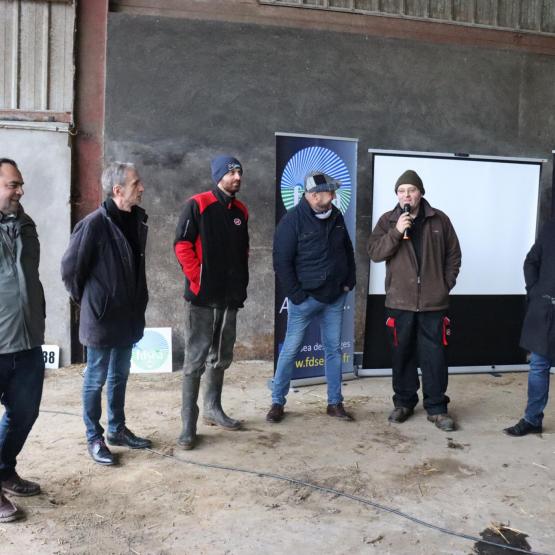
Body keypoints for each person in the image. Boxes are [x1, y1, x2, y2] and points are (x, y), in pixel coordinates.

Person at [61, 162, 151, 465]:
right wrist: (91, 302)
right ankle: (94, 437)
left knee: (119, 376)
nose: (141, 187)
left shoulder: (137, 220)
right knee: (95, 378)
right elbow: (71, 271)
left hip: (128, 316)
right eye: (136, 183)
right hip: (101, 318)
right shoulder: (94, 224)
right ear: (117, 190)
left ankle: (116, 429)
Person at [368, 169, 461, 431]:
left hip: (434, 303)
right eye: (401, 191)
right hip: (400, 302)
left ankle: (437, 408)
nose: (406, 195)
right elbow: (375, 252)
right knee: (402, 354)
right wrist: (397, 232)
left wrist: (445, 285)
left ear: (421, 192)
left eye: (411, 190)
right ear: (397, 195)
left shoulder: (439, 220)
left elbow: (454, 255)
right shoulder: (388, 220)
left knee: (434, 357)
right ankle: (404, 403)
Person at [266, 171, 356, 423]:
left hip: (335, 297)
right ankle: (277, 402)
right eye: (330, 191)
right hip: (305, 299)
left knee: (333, 350)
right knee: (291, 349)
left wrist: (349, 282)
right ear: (315, 196)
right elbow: (281, 262)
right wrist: (296, 295)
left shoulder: (336, 216)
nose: (334, 195)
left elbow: (347, 250)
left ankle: (335, 403)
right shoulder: (292, 221)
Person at [174, 155, 249, 449]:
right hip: (202, 300)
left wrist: (240, 285)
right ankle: (187, 425)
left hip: (230, 299)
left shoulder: (240, 210)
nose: (237, 177)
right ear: (218, 175)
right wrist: (198, 280)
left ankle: (213, 409)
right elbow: (181, 244)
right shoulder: (198, 204)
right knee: (194, 362)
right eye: (231, 172)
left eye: (240, 172)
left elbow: (243, 251)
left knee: (221, 357)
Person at [0, 159, 45, 522]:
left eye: (20, 184)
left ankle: (4, 470)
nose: (19, 191)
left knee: (25, 412)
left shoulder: (25, 223)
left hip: (27, 339)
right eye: (12, 185)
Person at [504, 219, 555, 436]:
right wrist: (535, 291)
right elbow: (531, 261)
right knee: (538, 366)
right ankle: (532, 419)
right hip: (545, 308)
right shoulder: (551, 227)